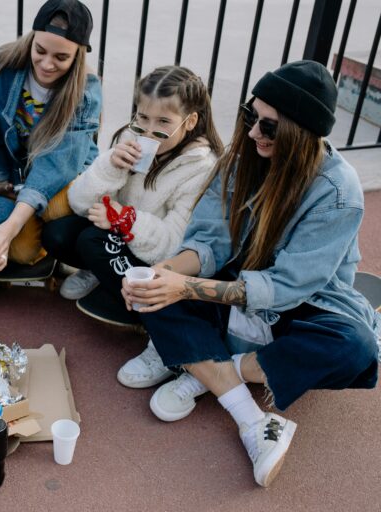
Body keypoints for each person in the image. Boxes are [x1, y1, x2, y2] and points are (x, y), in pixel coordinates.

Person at [121, 61, 380, 487]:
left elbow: (286, 287)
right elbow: (210, 244)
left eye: (270, 127)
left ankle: (210, 371)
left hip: (303, 305)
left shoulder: (339, 192)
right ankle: (253, 419)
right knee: (153, 292)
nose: (254, 132)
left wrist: (185, 287)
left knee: (357, 349)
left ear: (301, 134)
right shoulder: (242, 161)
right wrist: (161, 274)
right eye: (250, 116)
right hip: (235, 287)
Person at [42, 65, 223, 389]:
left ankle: (154, 325)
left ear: (190, 121)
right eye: (143, 117)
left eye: (164, 122)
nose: (149, 130)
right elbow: (80, 202)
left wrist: (124, 219)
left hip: (158, 259)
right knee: (57, 234)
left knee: (92, 240)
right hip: (115, 234)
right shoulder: (132, 137)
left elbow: (174, 245)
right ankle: (104, 275)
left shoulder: (202, 167)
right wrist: (110, 166)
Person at [0, 0, 102, 279]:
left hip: (63, 174)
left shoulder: (86, 90)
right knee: (21, 252)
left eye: (61, 57)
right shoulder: (1, 66)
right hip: (17, 174)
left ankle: (89, 260)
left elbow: (58, 166)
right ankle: (38, 235)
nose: (47, 64)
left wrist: (12, 223)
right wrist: (0, 180)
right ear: (31, 39)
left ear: (78, 55)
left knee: (54, 210)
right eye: (40, 50)